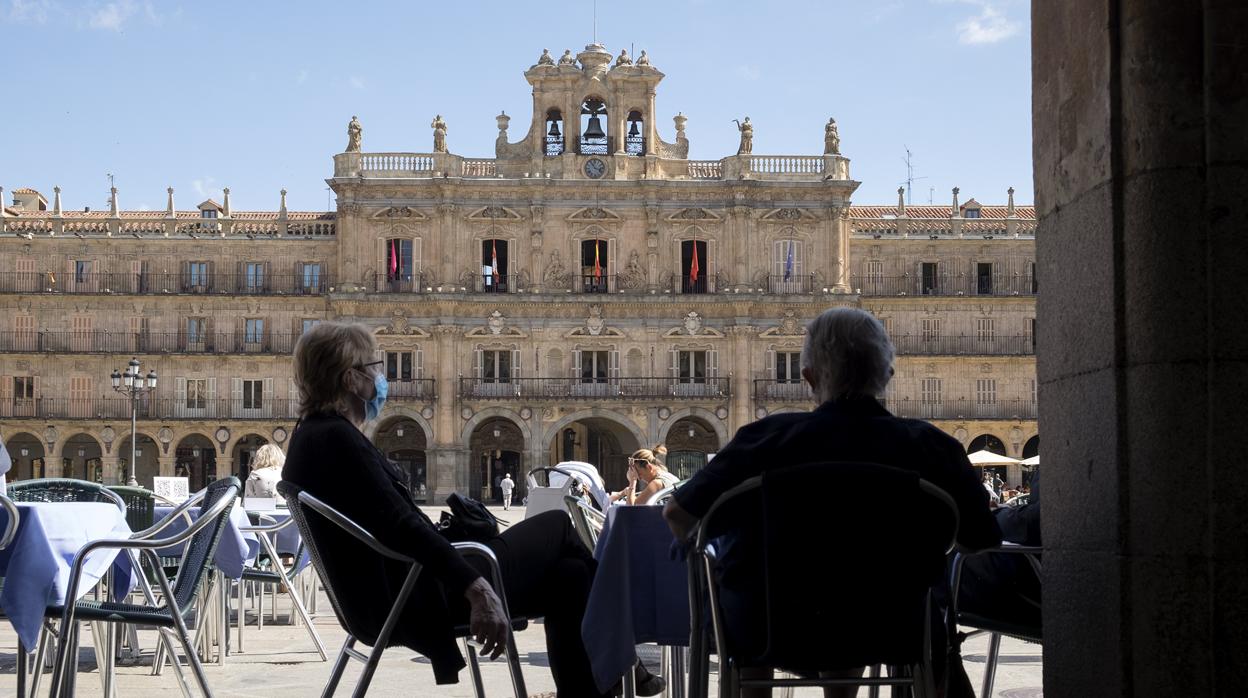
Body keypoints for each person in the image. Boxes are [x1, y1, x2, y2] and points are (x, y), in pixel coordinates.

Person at [282, 322, 660, 696]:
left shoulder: (313, 434)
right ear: (351, 379)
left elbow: (394, 523)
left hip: (398, 590)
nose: (381, 376)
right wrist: (475, 587)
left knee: (572, 575)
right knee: (559, 526)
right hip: (415, 593)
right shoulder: (335, 439)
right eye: (373, 367)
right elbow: (401, 525)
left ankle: (598, 682)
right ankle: (626, 659)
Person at [662, 307, 1001, 697]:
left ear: (808, 377)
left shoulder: (761, 440)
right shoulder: (933, 448)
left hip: (768, 627)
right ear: (887, 377)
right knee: (877, 596)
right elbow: (980, 540)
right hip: (889, 629)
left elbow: (678, 514)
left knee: (747, 585)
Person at [610, 446, 678, 506]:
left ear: (649, 467)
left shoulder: (656, 483)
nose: (639, 478)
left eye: (639, 474)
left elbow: (631, 509)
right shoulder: (668, 476)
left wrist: (632, 481)